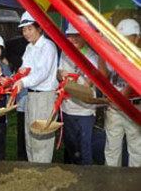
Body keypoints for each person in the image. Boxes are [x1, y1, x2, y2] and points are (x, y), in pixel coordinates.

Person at [13, 11, 59, 163]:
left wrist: (23, 82)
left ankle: (43, 173)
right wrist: (17, 77)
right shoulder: (29, 48)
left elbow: (42, 73)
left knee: (42, 137)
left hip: (45, 97)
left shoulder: (48, 47)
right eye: (24, 29)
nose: (26, 33)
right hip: (31, 96)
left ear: (40, 28)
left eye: (29, 28)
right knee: (30, 134)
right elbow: (26, 69)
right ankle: (33, 169)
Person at [99, 18, 141, 167]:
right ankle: (112, 184)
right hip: (115, 108)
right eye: (119, 39)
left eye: (126, 38)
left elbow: (134, 82)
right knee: (112, 148)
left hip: (133, 107)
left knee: (136, 148)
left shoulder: (139, 56)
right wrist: (102, 51)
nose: (122, 42)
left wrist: (121, 96)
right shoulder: (115, 55)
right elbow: (104, 74)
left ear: (136, 39)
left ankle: (135, 183)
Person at [58, 16, 98, 165]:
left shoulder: (92, 58)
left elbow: (87, 86)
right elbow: (59, 72)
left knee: (83, 148)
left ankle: (86, 181)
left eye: (77, 35)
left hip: (84, 111)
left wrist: (70, 84)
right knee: (69, 147)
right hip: (67, 109)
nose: (73, 38)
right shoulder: (65, 53)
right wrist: (60, 75)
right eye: (70, 35)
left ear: (85, 36)